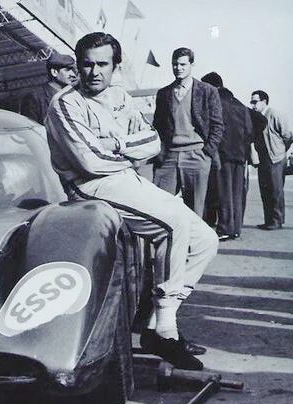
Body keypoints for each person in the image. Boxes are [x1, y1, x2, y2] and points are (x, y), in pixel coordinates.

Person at [45, 32, 218, 370]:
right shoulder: (65, 103)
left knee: (205, 240)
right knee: (173, 225)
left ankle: (155, 325)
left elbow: (153, 142)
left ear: (116, 66)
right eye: (87, 64)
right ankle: (166, 331)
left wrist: (116, 145)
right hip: (90, 187)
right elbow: (90, 162)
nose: (95, 72)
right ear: (78, 66)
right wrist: (126, 151)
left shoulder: (120, 96)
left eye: (103, 64)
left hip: (125, 179)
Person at [153, 48, 224, 217]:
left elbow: (217, 125)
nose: (178, 68)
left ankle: (192, 237)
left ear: (192, 65)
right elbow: (157, 126)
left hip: (197, 156)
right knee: (159, 208)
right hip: (169, 157)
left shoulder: (207, 91)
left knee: (195, 211)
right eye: (175, 64)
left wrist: (207, 152)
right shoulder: (163, 93)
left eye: (183, 64)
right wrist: (161, 153)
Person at [200, 72, 253, 240]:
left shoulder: (214, 102)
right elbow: (251, 129)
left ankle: (224, 228)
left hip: (221, 153)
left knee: (223, 192)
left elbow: (210, 128)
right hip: (240, 155)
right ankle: (236, 228)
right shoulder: (240, 105)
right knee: (237, 193)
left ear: (211, 86)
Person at [250, 90, 293, 230]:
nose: (252, 105)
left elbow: (288, 136)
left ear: (264, 101)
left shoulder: (275, 115)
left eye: (255, 102)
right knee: (265, 191)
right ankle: (269, 220)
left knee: (276, 191)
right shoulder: (256, 118)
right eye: (251, 102)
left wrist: (280, 151)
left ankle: (277, 220)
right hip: (263, 160)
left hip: (276, 159)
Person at [21, 52, 77, 124]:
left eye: (74, 70)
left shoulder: (75, 94)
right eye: (67, 70)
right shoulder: (35, 97)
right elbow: (31, 126)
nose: (73, 74)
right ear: (54, 72)